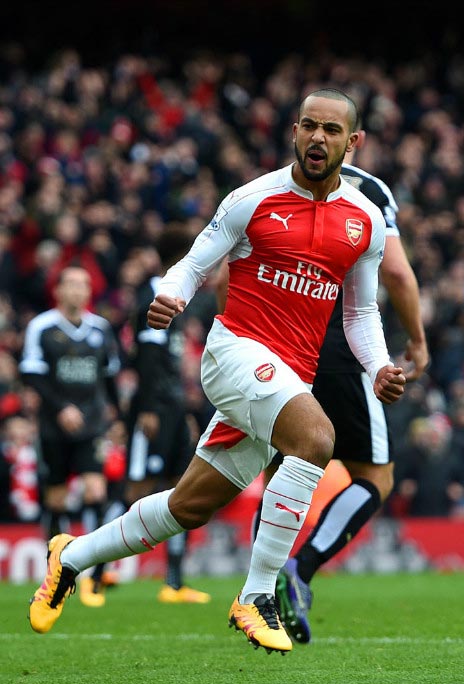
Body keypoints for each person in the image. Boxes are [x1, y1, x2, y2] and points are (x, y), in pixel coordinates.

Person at [28, 88, 406, 655]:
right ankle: (257, 596)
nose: (317, 138)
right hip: (234, 354)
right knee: (317, 437)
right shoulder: (252, 199)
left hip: (289, 374)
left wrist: (378, 366)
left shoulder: (366, 221)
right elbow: (194, 261)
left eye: (331, 130)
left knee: (188, 506)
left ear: (352, 143)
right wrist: (170, 297)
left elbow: (360, 311)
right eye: (308, 126)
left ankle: (71, 556)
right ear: (294, 131)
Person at [220, 130, 430, 644]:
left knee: (278, 468)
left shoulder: (273, 187)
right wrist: (417, 343)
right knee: (375, 476)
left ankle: (259, 595)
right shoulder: (370, 193)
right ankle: (302, 570)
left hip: (272, 347)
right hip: (340, 345)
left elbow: (232, 276)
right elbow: (398, 275)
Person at [19, 265, 123, 605]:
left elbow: (109, 376)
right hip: (53, 425)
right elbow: (32, 375)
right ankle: (56, 572)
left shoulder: (101, 329)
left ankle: (95, 574)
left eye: (84, 285)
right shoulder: (42, 328)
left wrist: (117, 415)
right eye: (72, 285)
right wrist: (60, 407)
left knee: (96, 490)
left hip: (92, 423)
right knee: (57, 499)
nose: (79, 291)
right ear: (59, 290)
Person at [123, 226, 210, 604]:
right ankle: (97, 571)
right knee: (139, 485)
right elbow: (147, 359)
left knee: (180, 487)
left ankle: (174, 581)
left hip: (174, 407)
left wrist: (184, 408)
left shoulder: (178, 295)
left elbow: (171, 361)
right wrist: (148, 409)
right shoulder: (153, 295)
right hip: (154, 409)